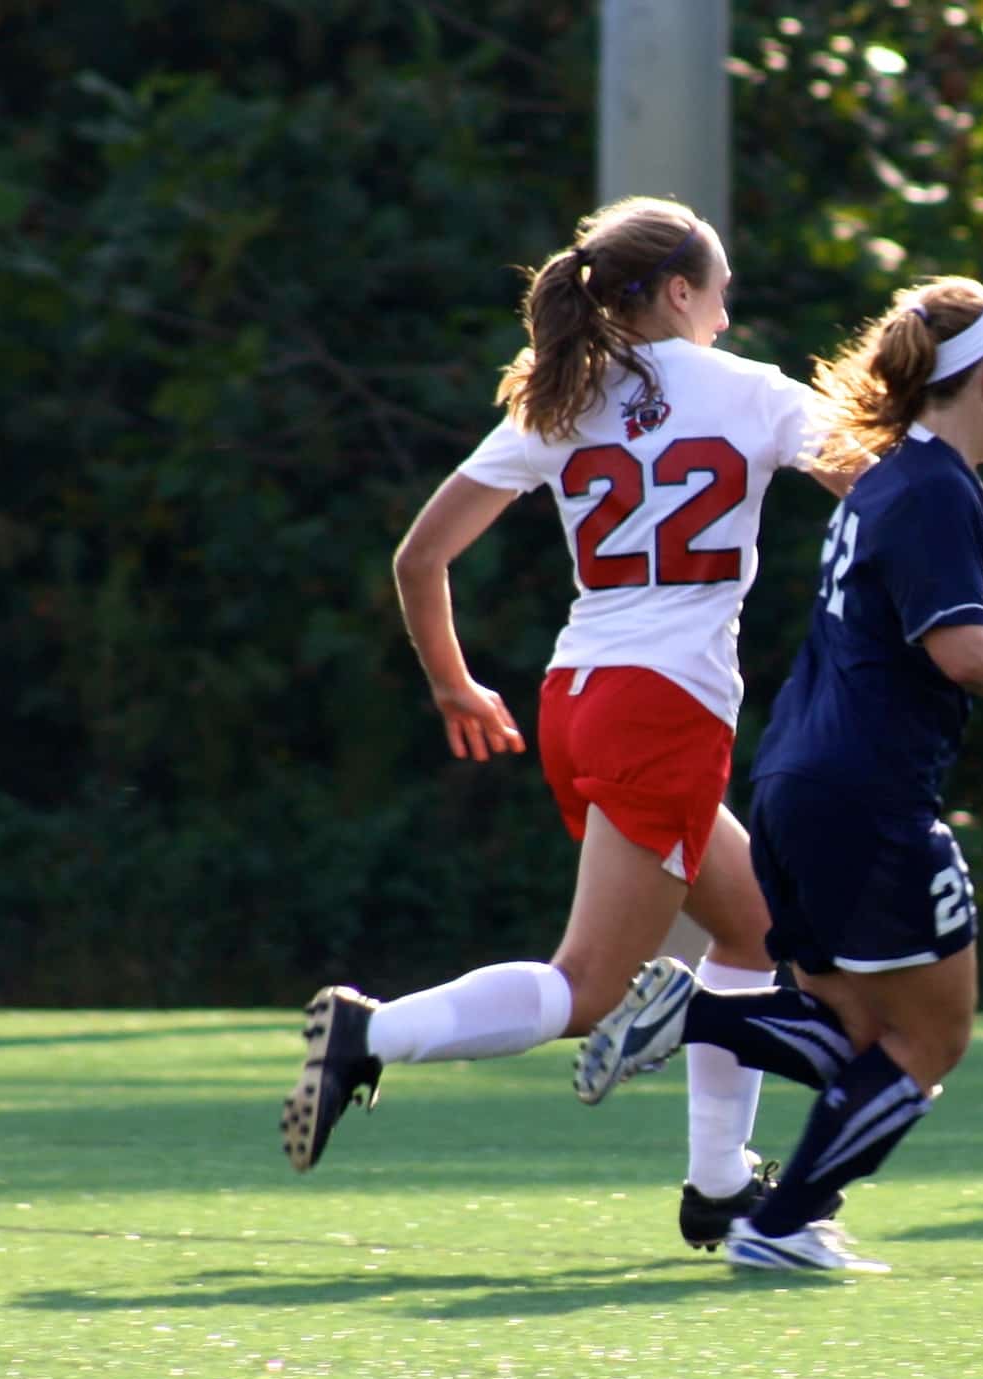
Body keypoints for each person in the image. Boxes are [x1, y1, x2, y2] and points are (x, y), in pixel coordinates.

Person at [280, 196, 852, 1251]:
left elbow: (419, 559)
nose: (726, 317)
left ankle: (720, 1185)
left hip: (576, 696)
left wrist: (455, 684)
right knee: (588, 988)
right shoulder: (750, 392)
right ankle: (373, 1031)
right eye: (719, 294)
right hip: (664, 707)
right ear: (679, 293)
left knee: (755, 927)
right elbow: (902, 498)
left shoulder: (562, 399)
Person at [569, 276, 983, 1272]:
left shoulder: (894, 476)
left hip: (795, 782)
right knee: (932, 1040)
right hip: (869, 795)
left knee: (855, 1031)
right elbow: (960, 651)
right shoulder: (932, 486)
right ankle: (784, 1220)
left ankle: (698, 1017)